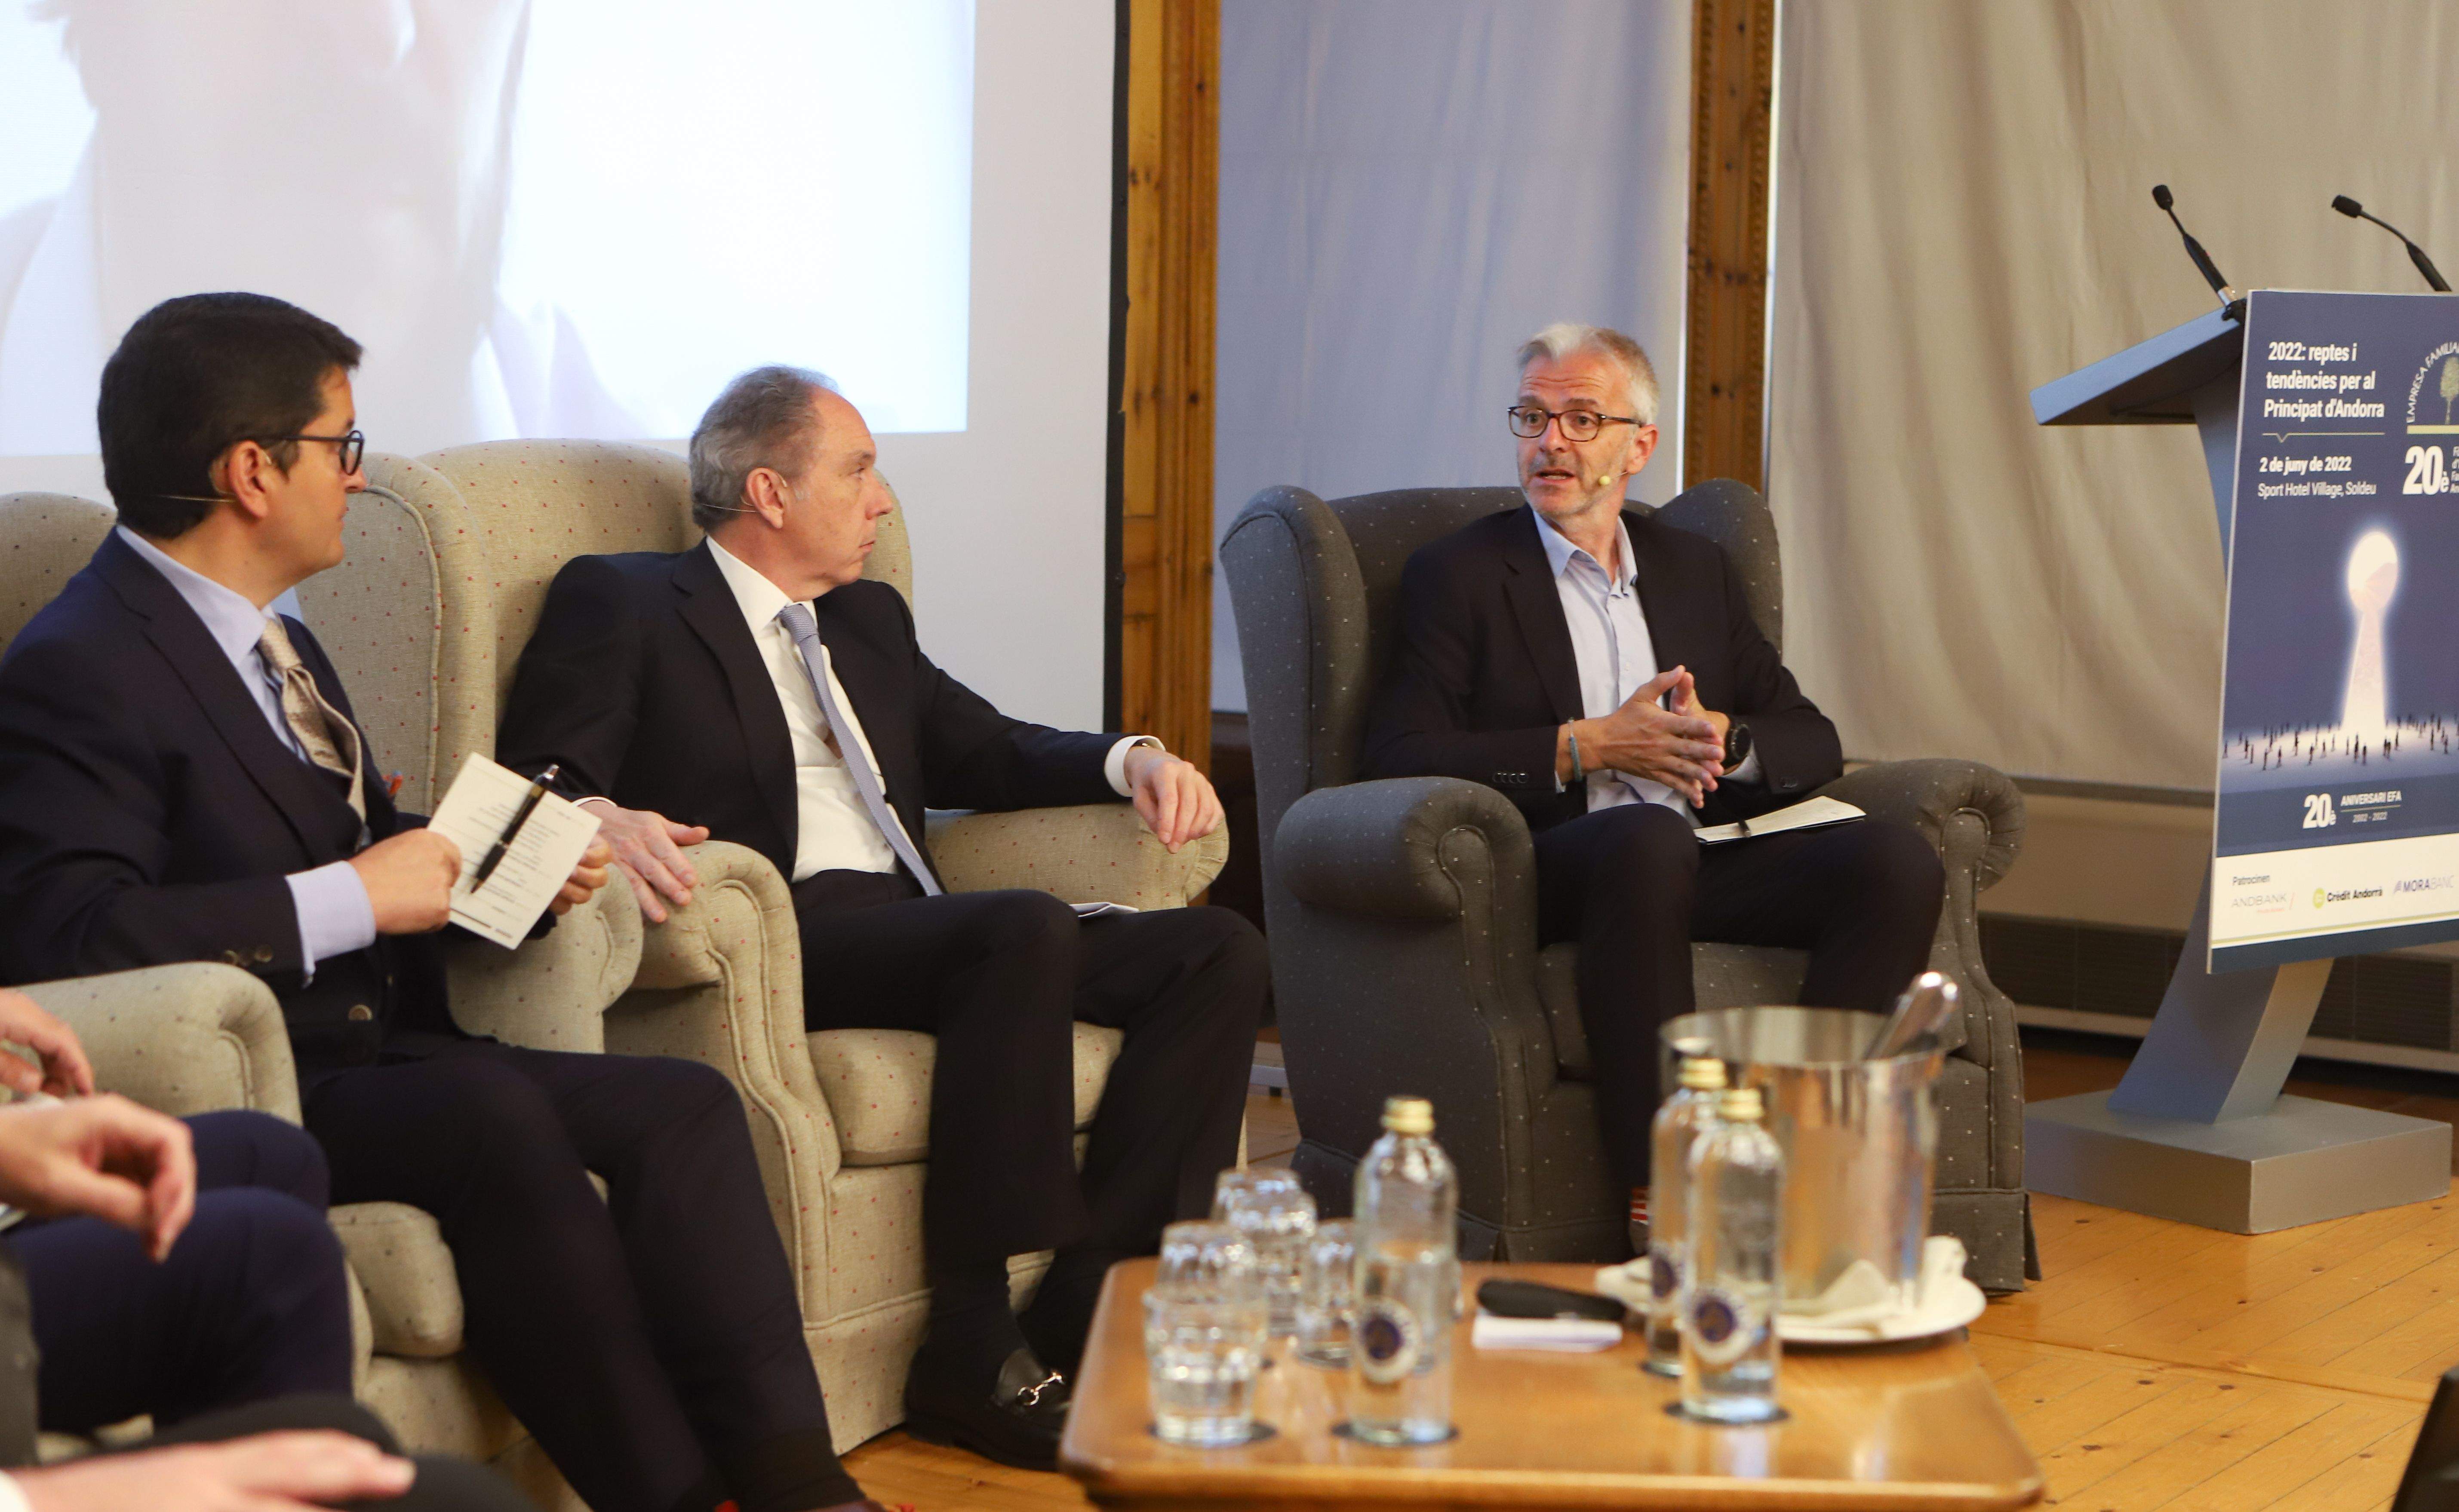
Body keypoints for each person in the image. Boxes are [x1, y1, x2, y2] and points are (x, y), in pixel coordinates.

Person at [0, 295, 885, 1512]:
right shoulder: (80, 664)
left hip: (389, 1039)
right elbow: (70, 936)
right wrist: (351, 894)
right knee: (484, 1112)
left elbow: (362, 849)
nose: (357, 481)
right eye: (341, 446)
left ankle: (800, 1488)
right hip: (263, 1073)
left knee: (681, 1101)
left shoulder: (276, 636)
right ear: (251, 471)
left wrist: (516, 860)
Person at [495, 365, 1268, 1470]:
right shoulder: (624, 600)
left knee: (1216, 952)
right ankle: (967, 1334)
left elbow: (986, 746)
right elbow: (541, 770)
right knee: (1018, 929)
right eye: (858, 469)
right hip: (786, 932)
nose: (883, 499)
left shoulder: (863, 618)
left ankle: (1087, 1311)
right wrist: (592, 810)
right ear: (769, 491)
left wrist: (1127, 756)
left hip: (929, 930)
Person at [1363, 322, 1943, 1246]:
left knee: (1895, 860)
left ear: (1639, 444)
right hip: (1551, 864)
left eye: (1580, 418)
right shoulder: (1462, 574)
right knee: (1643, 839)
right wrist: (1587, 746)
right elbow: (1394, 751)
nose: (1548, 441)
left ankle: (1804, 1163)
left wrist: (1729, 736)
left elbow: (1813, 737)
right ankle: (1669, 1187)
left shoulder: (1692, 569)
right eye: (1532, 416)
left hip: (1695, 850)